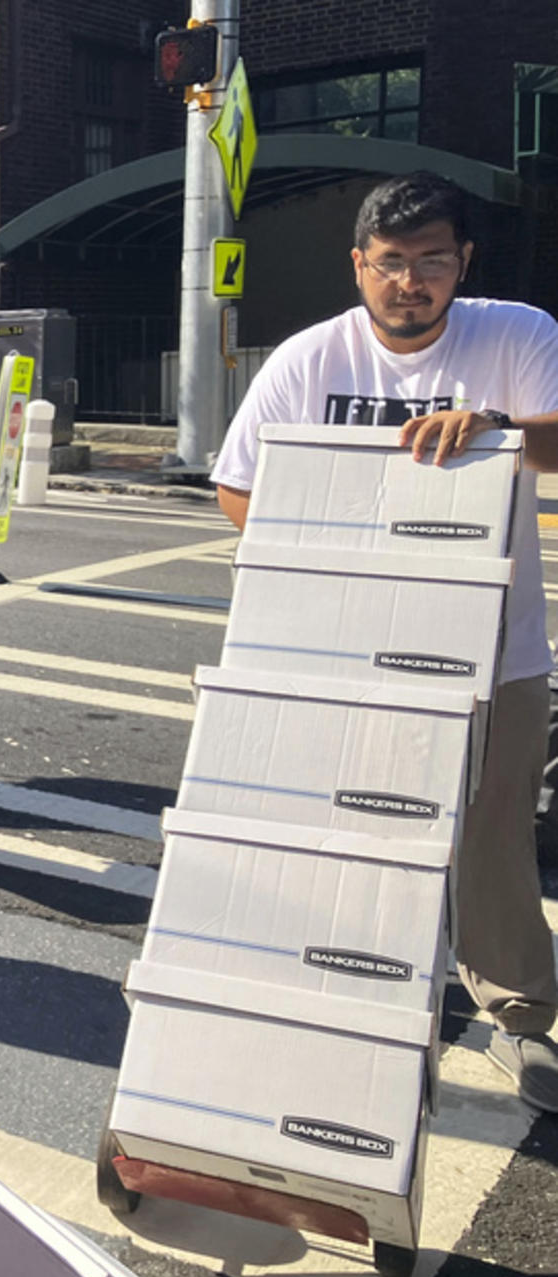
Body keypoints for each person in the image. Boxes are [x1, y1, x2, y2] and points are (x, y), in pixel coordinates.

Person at [211, 170, 558, 1114]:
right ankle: (353, 989)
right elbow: (236, 488)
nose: (411, 282)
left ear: (463, 263)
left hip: (499, 646)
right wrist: (331, 550)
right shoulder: (309, 360)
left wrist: (497, 433)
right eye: (392, 263)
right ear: (359, 265)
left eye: (432, 262)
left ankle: (520, 1018)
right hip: (345, 654)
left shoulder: (517, 335)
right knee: (351, 827)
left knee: (494, 836)